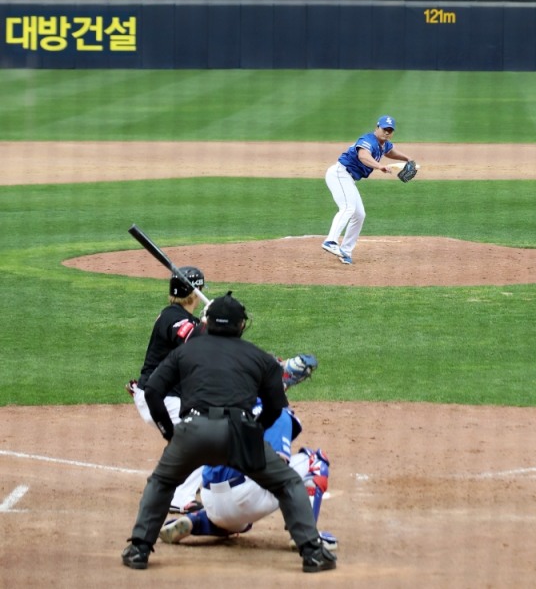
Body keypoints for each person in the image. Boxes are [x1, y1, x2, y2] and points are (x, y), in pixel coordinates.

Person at [120, 292, 336, 574]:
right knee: (288, 483)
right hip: (240, 433)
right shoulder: (258, 356)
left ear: (206, 322)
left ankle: (139, 549)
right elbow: (275, 406)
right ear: (241, 325)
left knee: (161, 482)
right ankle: (312, 553)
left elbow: (152, 392)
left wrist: (170, 433)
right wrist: (255, 432)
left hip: (193, 431)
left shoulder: (185, 352)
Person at [158, 404, 336, 553]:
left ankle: (198, 520)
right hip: (244, 498)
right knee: (315, 461)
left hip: (210, 498)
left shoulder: (221, 404)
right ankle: (306, 534)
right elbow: (279, 471)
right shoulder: (277, 413)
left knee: (241, 520)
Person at [126, 265, 207, 513]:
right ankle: (179, 496)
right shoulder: (175, 318)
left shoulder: (176, 315)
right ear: (195, 293)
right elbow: (193, 339)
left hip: (163, 396)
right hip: (160, 399)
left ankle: (171, 483)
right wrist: (208, 321)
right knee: (207, 435)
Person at [321, 114, 413, 266]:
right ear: (377, 127)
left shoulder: (384, 144)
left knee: (359, 215)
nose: (387, 132)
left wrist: (408, 159)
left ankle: (345, 251)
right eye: (384, 129)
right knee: (348, 207)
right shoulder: (368, 140)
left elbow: (390, 152)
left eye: (390, 130)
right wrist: (379, 166)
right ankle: (330, 241)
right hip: (339, 174)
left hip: (348, 179)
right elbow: (363, 156)